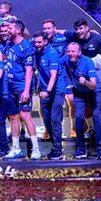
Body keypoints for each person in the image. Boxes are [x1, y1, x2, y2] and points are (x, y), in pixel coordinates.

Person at [60, 42, 101, 159]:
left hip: (94, 91)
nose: (70, 53)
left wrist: (85, 82)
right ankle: (80, 148)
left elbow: (94, 85)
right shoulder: (65, 59)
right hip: (79, 92)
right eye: (69, 51)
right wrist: (68, 89)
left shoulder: (87, 62)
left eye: (73, 51)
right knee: (79, 117)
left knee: (96, 115)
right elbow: (58, 67)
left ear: (79, 52)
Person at [4, 20, 41, 160]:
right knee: (13, 117)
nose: (7, 30)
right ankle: (16, 148)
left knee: (25, 116)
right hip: (10, 86)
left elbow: (29, 71)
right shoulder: (9, 44)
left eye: (10, 28)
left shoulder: (26, 46)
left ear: (18, 30)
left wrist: (26, 91)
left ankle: (36, 149)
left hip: (21, 86)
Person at [33, 32, 66, 160]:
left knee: (55, 119)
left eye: (39, 42)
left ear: (45, 42)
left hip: (56, 89)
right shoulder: (36, 51)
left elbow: (53, 75)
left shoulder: (52, 54)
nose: (37, 44)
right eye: (35, 42)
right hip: (44, 90)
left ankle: (58, 149)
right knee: (47, 121)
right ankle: (56, 146)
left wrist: (47, 91)